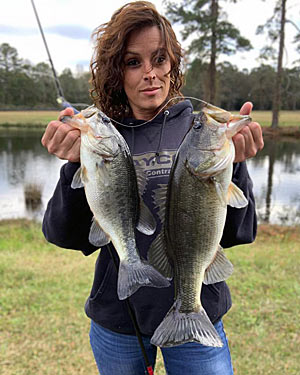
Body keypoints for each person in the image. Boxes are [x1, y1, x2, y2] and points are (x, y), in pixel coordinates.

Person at [41, 2, 264, 374]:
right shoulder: (101, 137)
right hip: (119, 317)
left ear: (173, 64)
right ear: (116, 71)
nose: (150, 74)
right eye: (133, 62)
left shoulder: (201, 132)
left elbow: (241, 232)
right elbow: (64, 234)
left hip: (198, 311)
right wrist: (74, 168)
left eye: (159, 59)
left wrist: (236, 165)